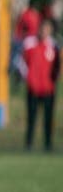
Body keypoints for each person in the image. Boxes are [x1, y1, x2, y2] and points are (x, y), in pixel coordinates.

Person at [21, 18, 59, 152]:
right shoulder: (30, 44)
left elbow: (57, 67)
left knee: (48, 118)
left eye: (47, 29)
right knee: (31, 117)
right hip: (33, 88)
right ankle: (29, 144)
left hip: (48, 88)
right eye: (43, 29)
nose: (44, 32)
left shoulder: (53, 46)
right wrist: (28, 78)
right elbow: (22, 62)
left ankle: (48, 144)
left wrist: (54, 79)